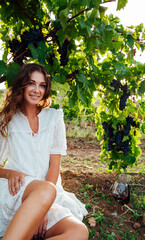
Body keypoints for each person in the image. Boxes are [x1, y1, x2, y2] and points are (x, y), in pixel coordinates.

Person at [0, 63, 88, 240]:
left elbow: (54, 167)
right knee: (44, 190)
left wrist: (44, 208)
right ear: (22, 85)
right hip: (17, 191)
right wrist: (10, 173)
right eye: (31, 83)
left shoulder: (54, 118)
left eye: (42, 85)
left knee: (78, 232)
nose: (36, 90)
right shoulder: (6, 119)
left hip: (50, 193)